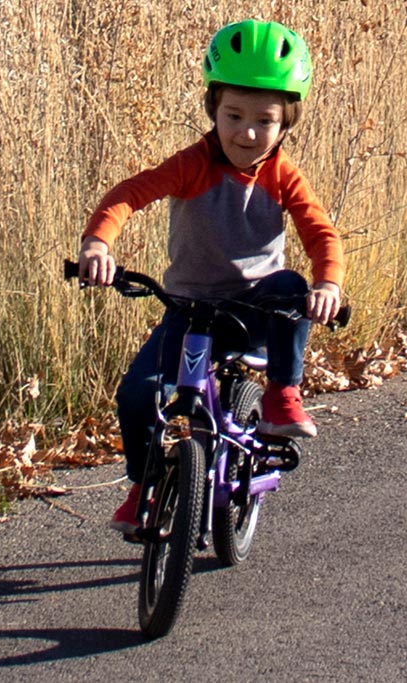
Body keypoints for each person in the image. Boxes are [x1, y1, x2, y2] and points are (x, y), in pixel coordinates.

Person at [76, 19, 346, 534]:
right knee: (139, 394)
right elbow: (127, 196)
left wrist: (328, 283)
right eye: (233, 115)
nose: (247, 132)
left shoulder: (281, 174)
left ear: (286, 124)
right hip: (189, 311)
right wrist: (98, 243)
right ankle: (143, 486)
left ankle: (281, 394)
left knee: (292, 284)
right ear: (213, 110)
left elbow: (320, 232)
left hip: (256, 309)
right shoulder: (192, 165)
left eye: (264, 121)